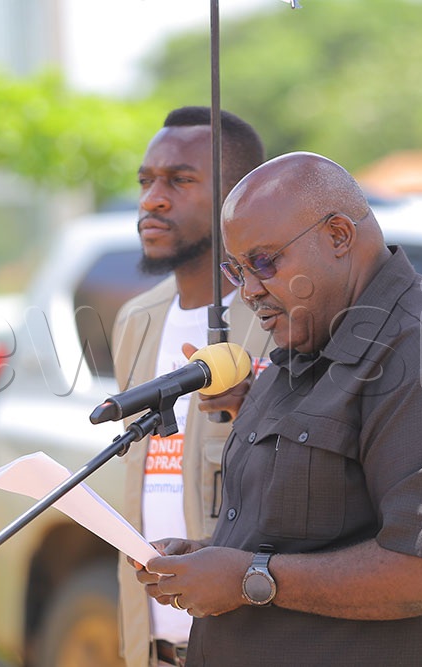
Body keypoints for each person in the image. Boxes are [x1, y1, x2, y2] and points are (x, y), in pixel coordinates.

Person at [133, 151, 422, 665]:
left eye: (264, 262)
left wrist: (248, 577)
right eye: (236, 270)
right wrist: (215, 557)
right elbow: (312, 528)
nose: (249, 290)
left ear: (339, 236)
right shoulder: (309, 338)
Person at [111, 106, 272, 667]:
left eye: (179, 181)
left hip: (243, 642)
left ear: (238, 200)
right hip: (153, 645)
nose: (152, 199)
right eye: (146, 181)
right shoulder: (136, 319)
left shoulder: (280, 320)